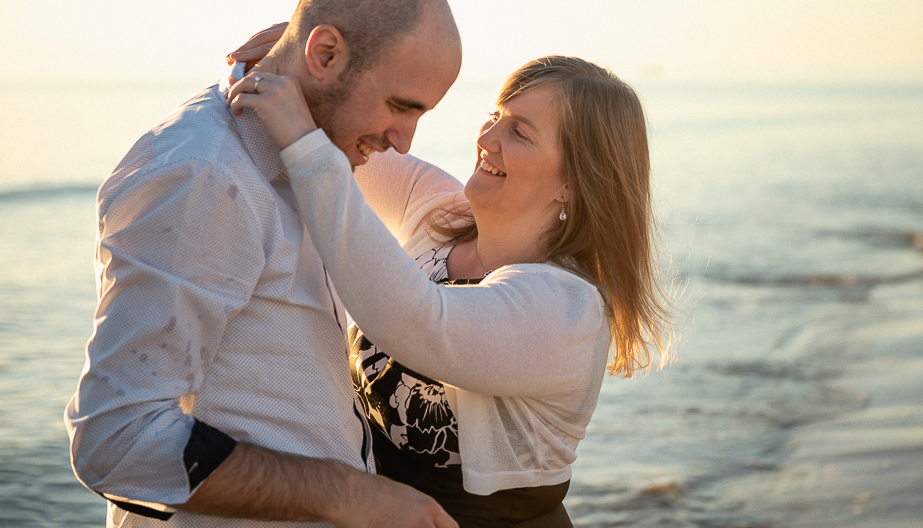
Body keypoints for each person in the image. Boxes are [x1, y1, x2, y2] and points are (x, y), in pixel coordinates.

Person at [64, 0, 463, 528]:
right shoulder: (206, 177)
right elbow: (116, 440)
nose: (404, 141)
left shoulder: (312, 153)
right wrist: (348, 495)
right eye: (400, 106)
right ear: (324, 54)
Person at [224, 54, 672, 526]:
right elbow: (346, 141)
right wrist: (307, 57)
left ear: (572, 183)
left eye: (518, 132)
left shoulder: (567, 311)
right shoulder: (440, 218)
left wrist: (304, 143)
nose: (486, 139)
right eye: (495, 117)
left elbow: (415, 321)